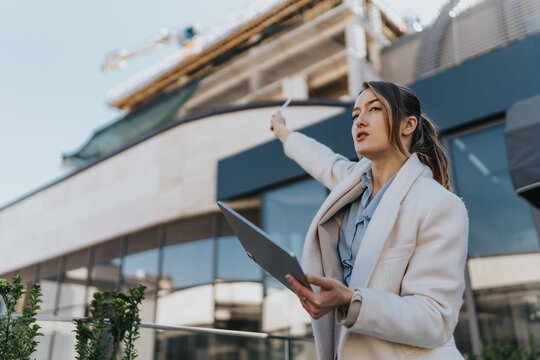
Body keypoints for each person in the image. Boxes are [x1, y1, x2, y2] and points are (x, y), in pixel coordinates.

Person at [269, 80, 469, 360]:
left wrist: (352, 301)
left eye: (374, 109)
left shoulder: (440, 205)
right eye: (354, 115)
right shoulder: (352, 185)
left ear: (407, 125)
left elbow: (435, 319)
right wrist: (282, 131)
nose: (360, 120)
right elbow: (321, 159)